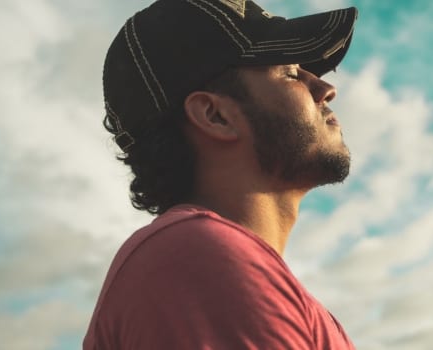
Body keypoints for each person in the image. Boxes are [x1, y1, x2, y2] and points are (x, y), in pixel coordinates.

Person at [83, 0, 358, 348]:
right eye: (290, 74)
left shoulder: (213, 264)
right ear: (215, 116)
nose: (324, 88)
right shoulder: (196, 259)